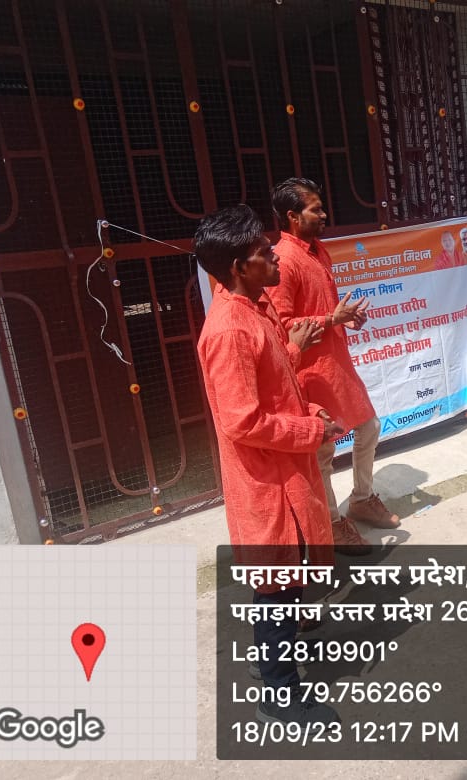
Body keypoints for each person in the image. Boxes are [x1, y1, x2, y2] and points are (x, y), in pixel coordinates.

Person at [194, 204, 339, 726]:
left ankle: (274, 659)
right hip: (267, 481)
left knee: (287, 579)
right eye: (263, 253)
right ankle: (281, 695)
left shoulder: (255, 308)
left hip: (286, 470)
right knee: (277, 588)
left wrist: (310, 410)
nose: (275, 257)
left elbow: (277, 384)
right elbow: (242, 420)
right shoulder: (229, 330)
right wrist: (310, 431)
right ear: (239, 267)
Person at [268, 177, 399, 557]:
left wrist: (345, 318)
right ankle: (331, 523)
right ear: (293, 217)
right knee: (322, 451)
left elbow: (323, 310)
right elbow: (281, 326)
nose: (324, 214)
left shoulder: (316, 251)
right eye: (316, 209)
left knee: (369, 427)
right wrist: (330, 319)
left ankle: (361, 499)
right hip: (309, 371)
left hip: (336, 363)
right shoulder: (284, 260)